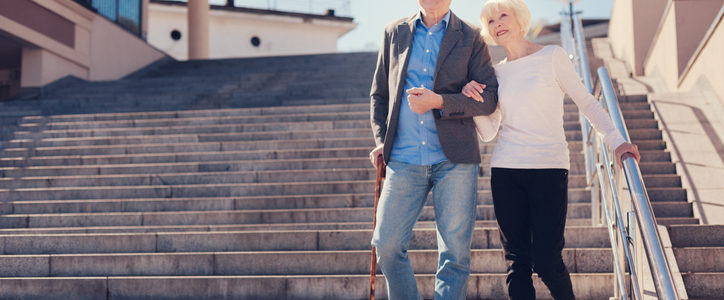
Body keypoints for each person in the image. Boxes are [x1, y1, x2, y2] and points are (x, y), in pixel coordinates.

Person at [461, 0, 642, 299]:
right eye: (491, 21)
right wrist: (474, 103)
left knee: (547, 261)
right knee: (517, 263)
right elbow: (489, 132)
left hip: (549, 168)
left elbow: (586, 101)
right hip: (507, 172)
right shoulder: (493, 74)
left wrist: (616, 140)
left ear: (520, 21)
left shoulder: (551, 56)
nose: (498, 24)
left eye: (503, 15)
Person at [368, 0, 499, 298]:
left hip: (455, 160)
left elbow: (489, 97)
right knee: (386, 247)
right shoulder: (394, 32)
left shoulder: (471, 36)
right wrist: (381, 140)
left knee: (455, 255)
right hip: (403, 159)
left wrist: (439, 101)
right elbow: (380, 94)